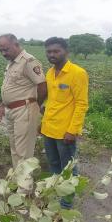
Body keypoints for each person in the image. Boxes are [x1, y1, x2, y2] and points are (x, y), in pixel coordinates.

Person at [40, 37, 89, 208]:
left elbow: (81, 104)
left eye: (56, 51)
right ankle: (56, 193)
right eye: (49, 51)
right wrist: (43, 121)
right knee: (53, 164)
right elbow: (51, 100)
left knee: (68, 169)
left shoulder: (77, 73)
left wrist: (73, 131)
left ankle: (66, 205)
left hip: (65, 132)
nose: (52, 54)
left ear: (66, 52)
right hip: (48, 129)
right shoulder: (50, 72)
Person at [0, 34, 47, 168]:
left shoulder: (28, 61)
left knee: (23, 153)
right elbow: (10, 87)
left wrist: (36, 105)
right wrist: (2, 105)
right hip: (11, 110)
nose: (3, 53)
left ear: (16, 45)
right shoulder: (12, 63)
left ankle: (24, 188)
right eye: (0, 50)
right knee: (15, 150)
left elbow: (42, 86)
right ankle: (17, 181)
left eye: (6, 49)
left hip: (24, 110)